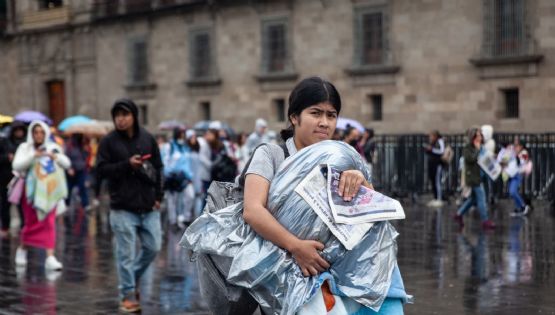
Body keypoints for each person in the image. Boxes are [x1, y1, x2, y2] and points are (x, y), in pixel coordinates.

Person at [185, 77, 408, 314]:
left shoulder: (339, 159)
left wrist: (359, 181)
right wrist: (296, 247)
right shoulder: (271, 155)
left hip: (331, 264)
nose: (324, 123)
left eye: (331, 115)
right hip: (284, 268)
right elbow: (253, 210)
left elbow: (371, 225)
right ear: (294, 117)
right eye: (315, 113)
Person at [96, 98, 163, 313]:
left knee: (153, 247)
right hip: (122, 206)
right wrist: (127, 165)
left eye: (125, 115)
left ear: (134, 116)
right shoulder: (108, 142)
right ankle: (127, 295)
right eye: (117, 115)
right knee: (124, 255)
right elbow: (101, 170)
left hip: (148, 205)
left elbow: (159, 168)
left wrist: (159, 195)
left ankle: (130, 283)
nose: (120, 119)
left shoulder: (147, 138)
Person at [13, 120, 71, 270]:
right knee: (31, 223)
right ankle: (23, 248)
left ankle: (50, 257)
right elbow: (16, 165)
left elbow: (66, 163)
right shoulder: (25, 148)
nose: (39, 135)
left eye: (42, 132)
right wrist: (33, 156)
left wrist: (55, 157)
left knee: (49, 222)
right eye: (36, 132)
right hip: (31, 193)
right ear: (32, 134)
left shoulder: (53, 147)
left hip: (49, 193)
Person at [453, 127, 496, 230]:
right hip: (473, 177)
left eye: (480, 135)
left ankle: (459, 214)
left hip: (481, 176)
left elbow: (487, 158)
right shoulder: (468, 148)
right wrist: (477, 150)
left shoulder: (481, 147)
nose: (480, 137)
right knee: (481, 198)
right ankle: (485, 221)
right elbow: (471, 159)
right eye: (478, 135)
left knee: (473, 199)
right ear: (473, 137)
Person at [161, 128, 192, 229]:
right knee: (172, 200)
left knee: (189, 196)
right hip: (172, 177)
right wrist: (169, 173)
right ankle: (173, 220)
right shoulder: (169, 147)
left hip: (185, 178)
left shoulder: (185, 147)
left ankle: (186, 218)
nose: (182, 138)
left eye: (183, 135)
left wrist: (190, 176)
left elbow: (188, 162)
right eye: (180, 135)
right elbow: (164, 162)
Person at [0, 121, 27, 237]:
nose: (19, 133)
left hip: (20, 180)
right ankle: (5, 227)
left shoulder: (25, 144)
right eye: (17, 130)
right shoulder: (4, 142)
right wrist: (7, 157)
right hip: (6, 178)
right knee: (5, 205)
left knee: (22, 206)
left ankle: (24, 227)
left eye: (21, 130)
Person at [507, 139, 533, 216]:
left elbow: (523, 161)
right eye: (514, 145)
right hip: (511, 174)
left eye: (516, 145)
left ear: (521, 146)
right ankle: (519, 207)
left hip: (517, 175)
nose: (514, 147)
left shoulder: (524, 153)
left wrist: (514, 154)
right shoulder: (513, 152)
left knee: (513, 191)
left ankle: (523, 206)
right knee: (512, 192)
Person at [64, 133, 90, 210]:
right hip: (72, 170)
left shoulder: (82, 146)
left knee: (82, 187)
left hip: (81, 169)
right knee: (69, 187)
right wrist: (69, 168)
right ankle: (66, 203)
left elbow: (85, 158)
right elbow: (66, 158)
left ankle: (85, 204)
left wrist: (86, 151)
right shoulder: (70, 146)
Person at [425, 130, 445, 207]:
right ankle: (435, 197)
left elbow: (441, 151)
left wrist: (432, 150)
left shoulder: (439, 141)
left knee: (437, 181)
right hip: (432, 164)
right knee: (433, 181)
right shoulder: (432, 143)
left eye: (432, 136)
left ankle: (439, 198)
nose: (430, 138)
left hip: (438, 164)